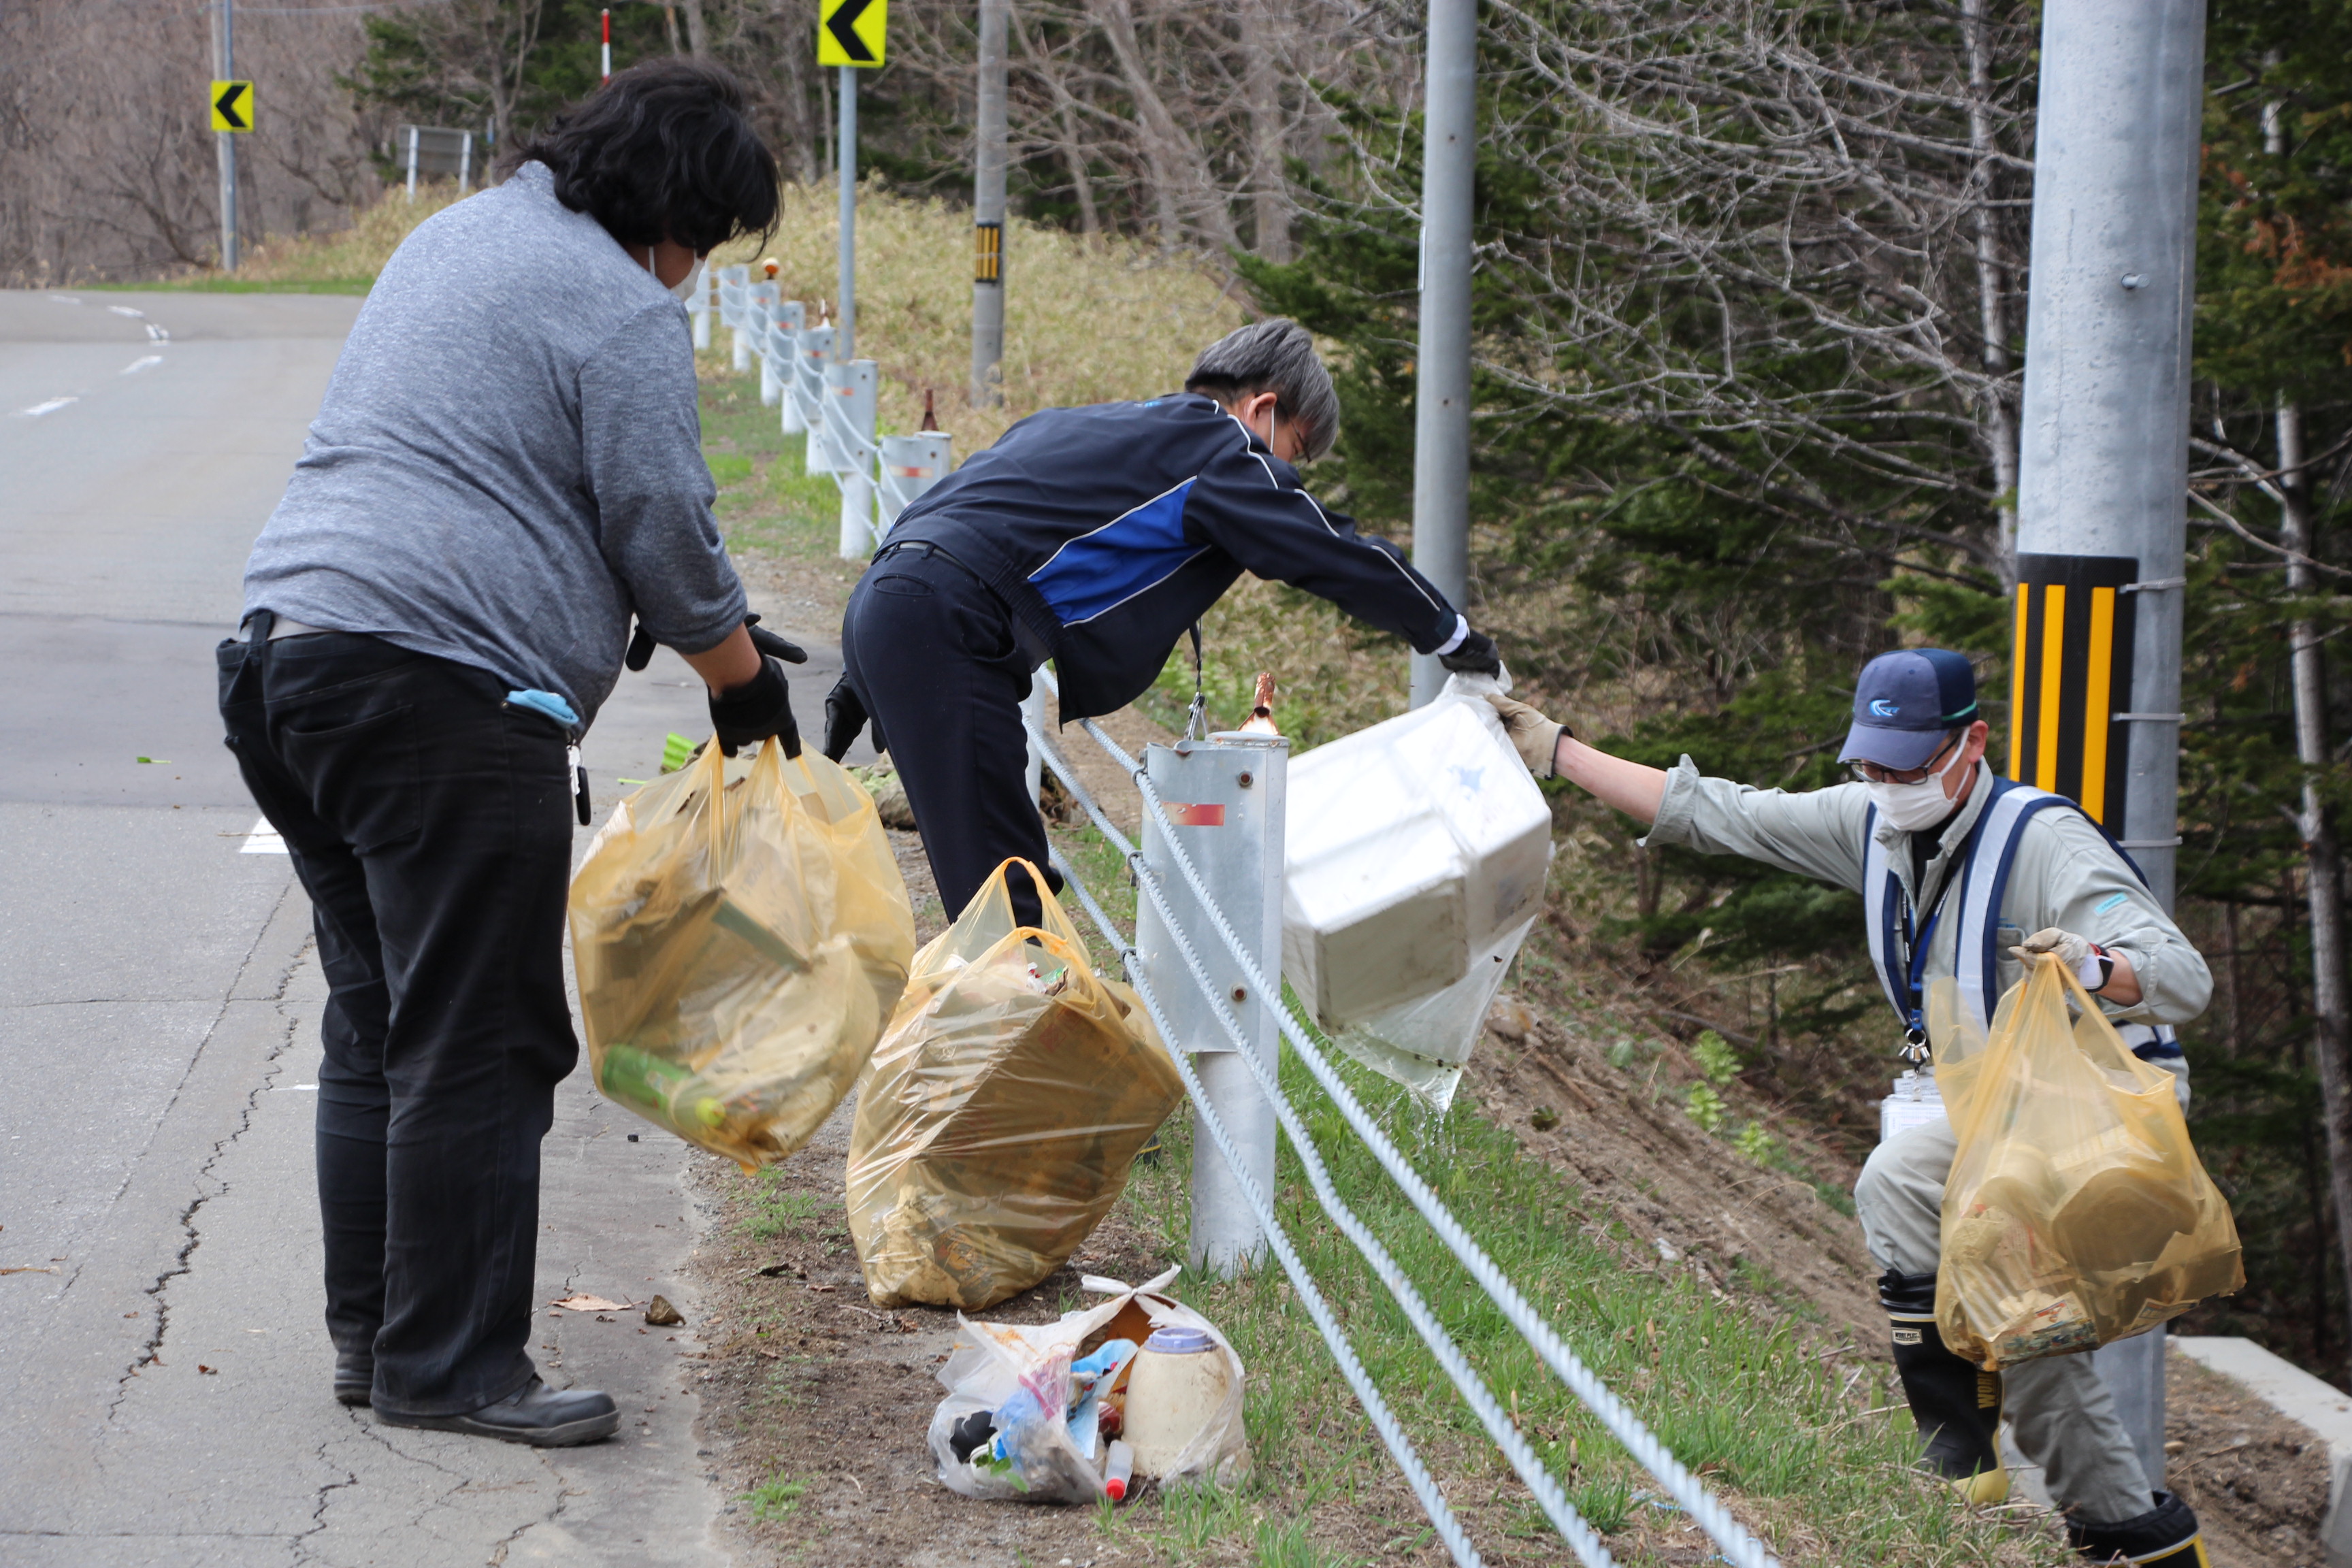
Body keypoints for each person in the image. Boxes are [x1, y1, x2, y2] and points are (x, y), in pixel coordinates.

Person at [218, 59, 801, 1447]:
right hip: (440, 700)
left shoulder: (462, 235)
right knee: (484, 1037)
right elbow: (660, 520)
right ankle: (456, 1368)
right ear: (671, 214)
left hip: (285, 662)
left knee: (385, 1018)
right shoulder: (617, 309)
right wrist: (741, 684)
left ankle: (380, 1343)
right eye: (703, 245)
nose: (691, 276)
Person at [1486, 649, 2213, 1567]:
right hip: (2001, 1121)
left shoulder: (2044, 842)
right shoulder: (1870, 822)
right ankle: (2065, 1500)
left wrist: (2097, 963)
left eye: (1909, 765)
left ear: (1970, 743)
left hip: (2106, 1119)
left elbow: (2185, 979)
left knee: (1965, 1258)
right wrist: (1558, 751)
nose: (1888, 783)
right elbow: (1719, 813)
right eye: (1871, 763)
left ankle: (1991, 1467)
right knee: (1990, 1293)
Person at [821, 318, 1502, 924]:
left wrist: (863, 670)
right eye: (1296, 453)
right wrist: (1455, 638)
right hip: (950, 626)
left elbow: (953, 513)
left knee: (994, 896)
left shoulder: (1087, 423)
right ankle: (1021, 1057)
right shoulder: (1223, 452)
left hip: (890, 602)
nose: (1288, 476)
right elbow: (1332, 552)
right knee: (1010, 910)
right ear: (1263, 409)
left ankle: (1011, 1047)